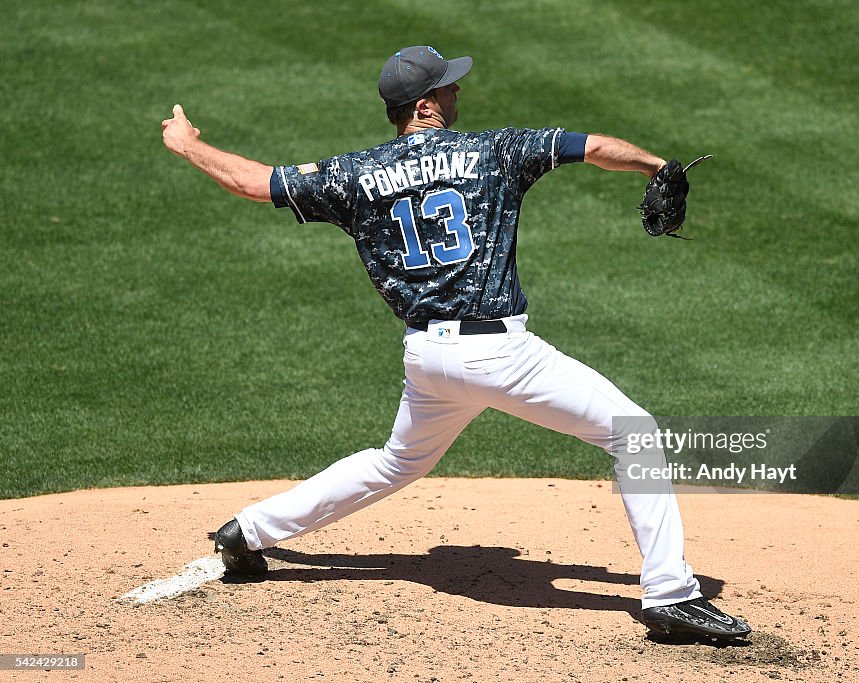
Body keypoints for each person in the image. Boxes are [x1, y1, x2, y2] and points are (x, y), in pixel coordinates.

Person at [160, 45, 751, 642]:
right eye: (449, 88)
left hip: (429, 361)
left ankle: (247, 532)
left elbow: (256, 182)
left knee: (397, 462)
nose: (457, 94)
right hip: (500, 355)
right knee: (636, 434)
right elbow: (593, 146)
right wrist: (655, 166)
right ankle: (672, 596)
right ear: (425, 105)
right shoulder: (493, 151)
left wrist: (186, 145)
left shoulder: (355, 173)